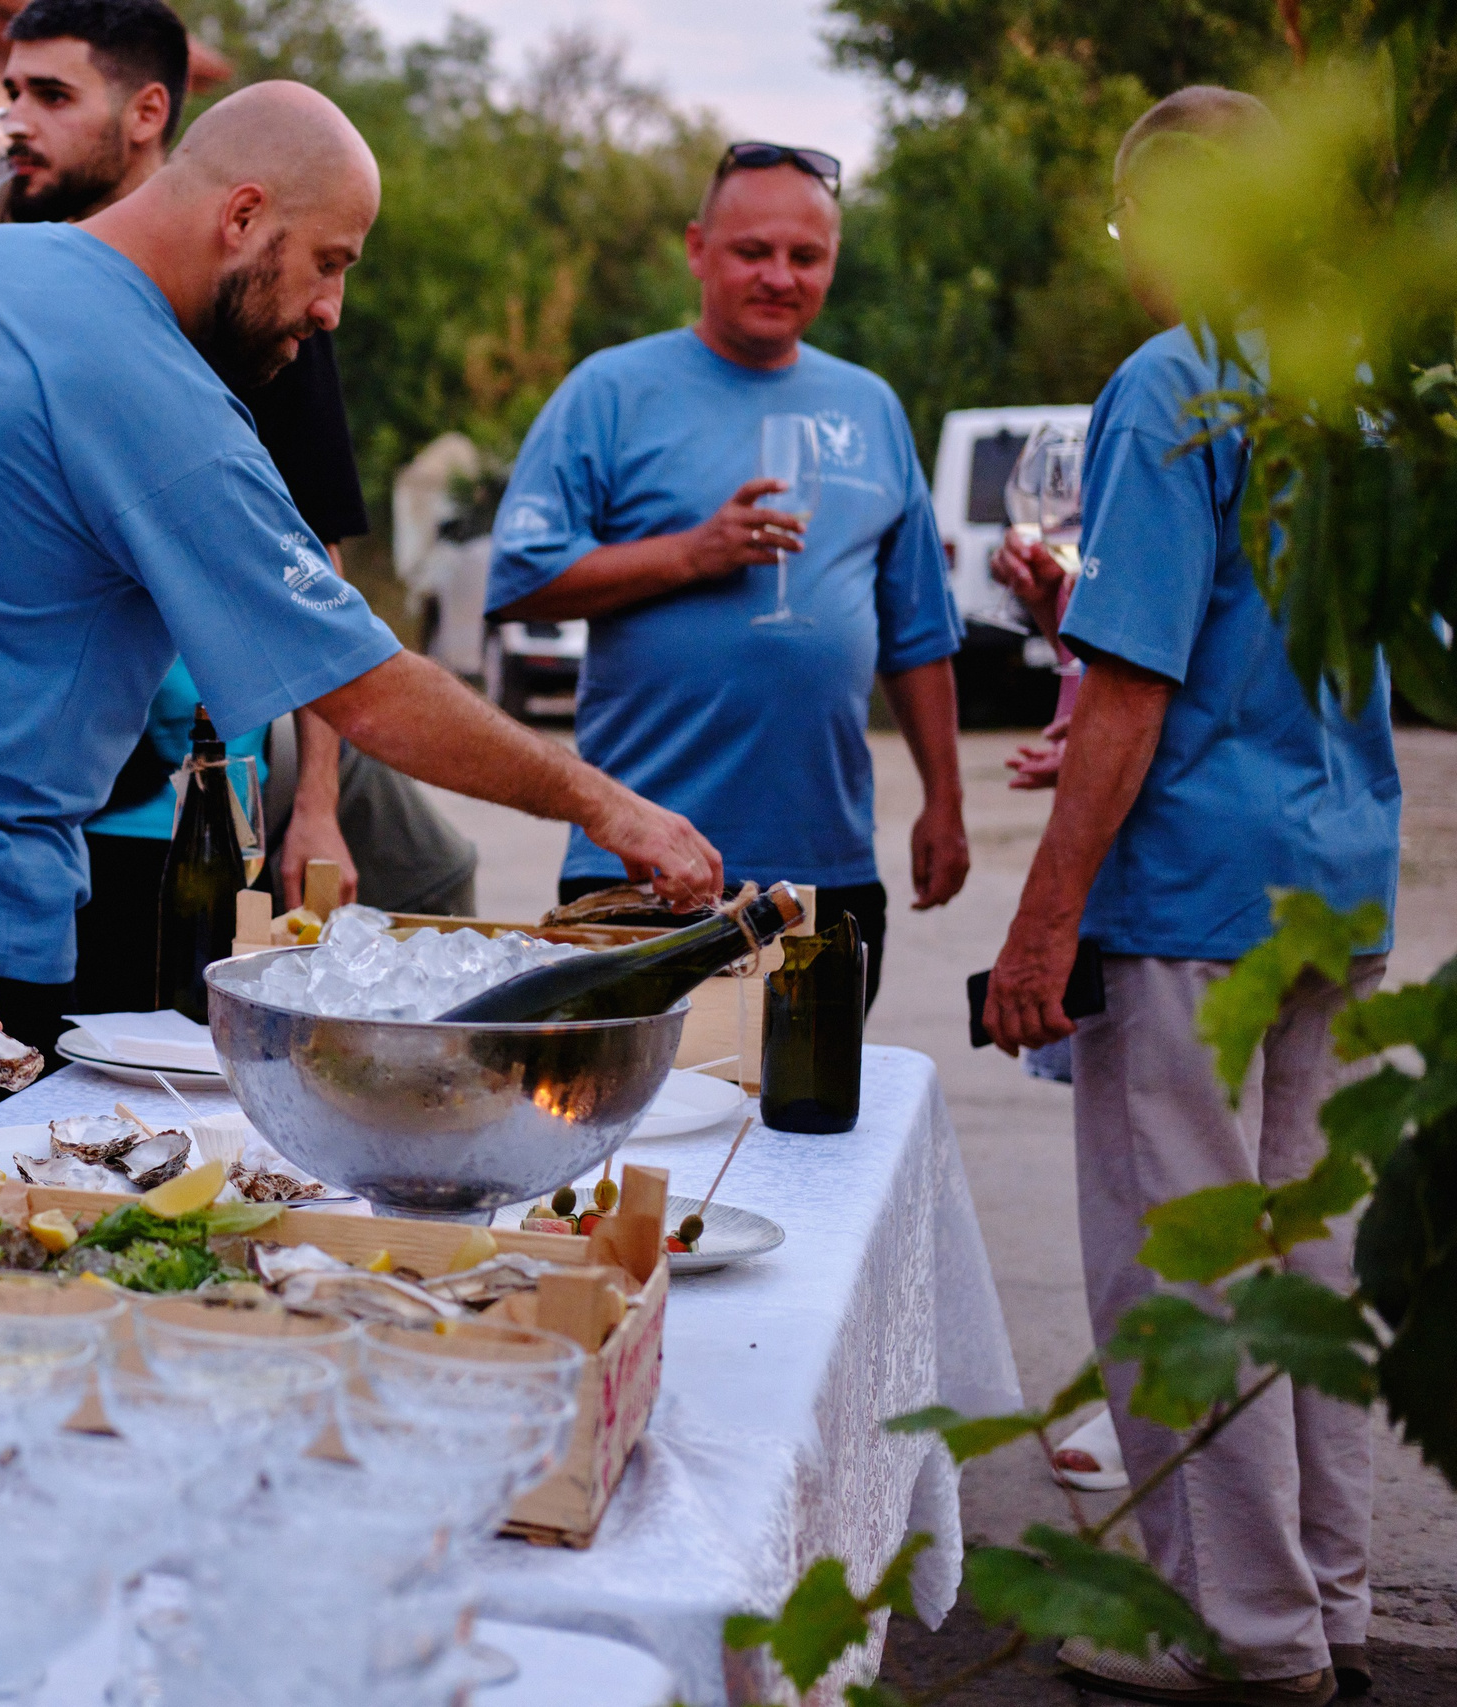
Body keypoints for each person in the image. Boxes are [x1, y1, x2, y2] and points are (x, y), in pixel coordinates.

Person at [0, 81, 723, 1213]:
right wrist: (604, 806)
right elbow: (366, 688)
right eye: (329, 263)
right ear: (242, 216)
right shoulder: (148, 388)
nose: (331, 308)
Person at [985, 86, 1402, 1705]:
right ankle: (1325, 1602)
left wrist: (1043, 924)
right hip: (1335, 878)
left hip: (1194, 897)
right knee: (1305, 1262)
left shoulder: (1172, 379)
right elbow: (1260, 649)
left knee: (1181, 1263)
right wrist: (1085, 638)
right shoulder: (1353, 386)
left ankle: (1239, 1632)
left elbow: (1143, 693)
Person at [0, 0, 371, 1011]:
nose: (17, 122)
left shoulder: (258, 303)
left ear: (147, 114)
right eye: (10, 92)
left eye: (52, 96)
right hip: (1, 833)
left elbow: (318, 578)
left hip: (170, 805)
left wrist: (316, 801)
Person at [483, 141, 970, 1007]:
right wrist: (691, 553)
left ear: (832, 262)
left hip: (827, 871)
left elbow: (917, 633)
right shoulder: (610, 391)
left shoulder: (871, 407)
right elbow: (519, 580)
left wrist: (946, 801)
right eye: (753, 251)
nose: (780, 276)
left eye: (805, 255)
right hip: (641, 866)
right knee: (648, 1095)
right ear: (697, 249)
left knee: (816, 1095)